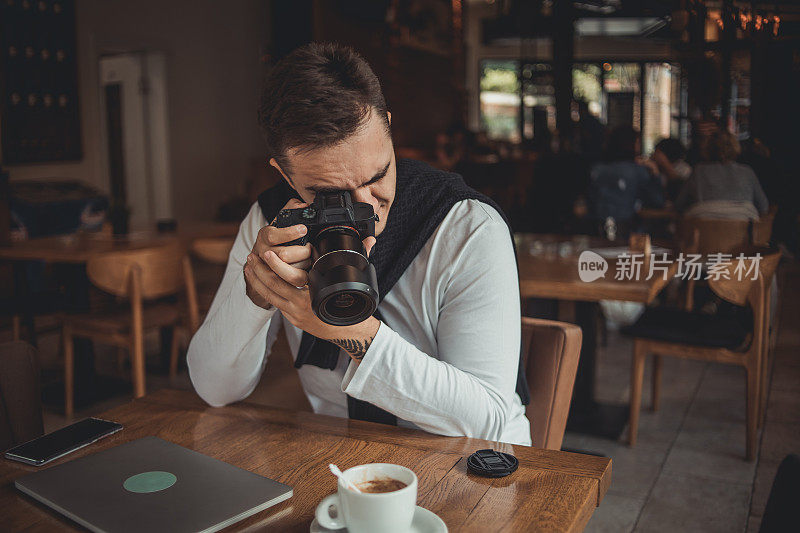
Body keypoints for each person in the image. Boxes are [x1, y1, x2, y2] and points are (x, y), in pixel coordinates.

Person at [187, 43, 531, 446]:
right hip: (344, 457)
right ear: (285, 175)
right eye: (331, 193)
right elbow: (215, 390)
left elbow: (486, 419)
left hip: (472, 465)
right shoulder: (273, 223)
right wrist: (256, 297)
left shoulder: (468, 225)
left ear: (387, 126)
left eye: (377, 175)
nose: (367, 206)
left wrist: (348, 332)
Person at [588, 125, 665, 238]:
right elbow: (657, 201)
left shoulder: (596, 169)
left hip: (594, 229)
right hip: (626, 231)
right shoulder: (637, 171)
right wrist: (655, 172)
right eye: (638, 143)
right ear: (632, 145)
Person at [676, 130, 768, 220]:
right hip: (742, 232)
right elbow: (763, 207)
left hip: (705, 232)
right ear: (735, 147)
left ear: (707, 148)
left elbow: (679, 204)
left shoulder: (699, 171)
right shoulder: (747, 172)